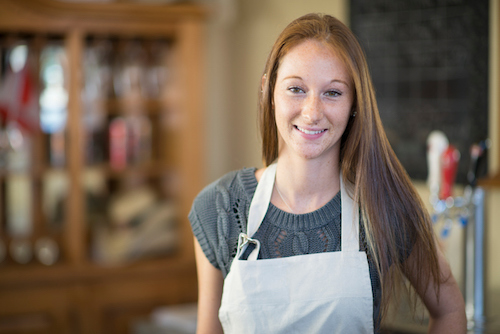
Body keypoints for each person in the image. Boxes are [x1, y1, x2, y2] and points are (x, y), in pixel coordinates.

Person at [189, 13, 466, 334]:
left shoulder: (386, 206)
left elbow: (449, 310)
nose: (311, 112)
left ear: (354, 103)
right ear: (269, 90)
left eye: (332, 92)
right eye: (296, 89)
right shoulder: (220, 208)